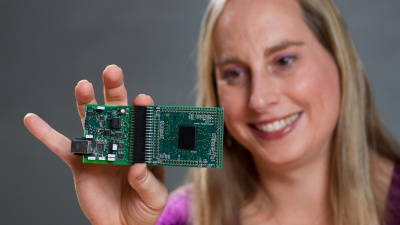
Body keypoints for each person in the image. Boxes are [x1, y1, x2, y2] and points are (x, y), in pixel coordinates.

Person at [24, 0, 400, 224]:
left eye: (285, 60)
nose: (259, 99)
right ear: (215, 92)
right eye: (234, 73)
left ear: (339, 61)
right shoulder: (177, 218)